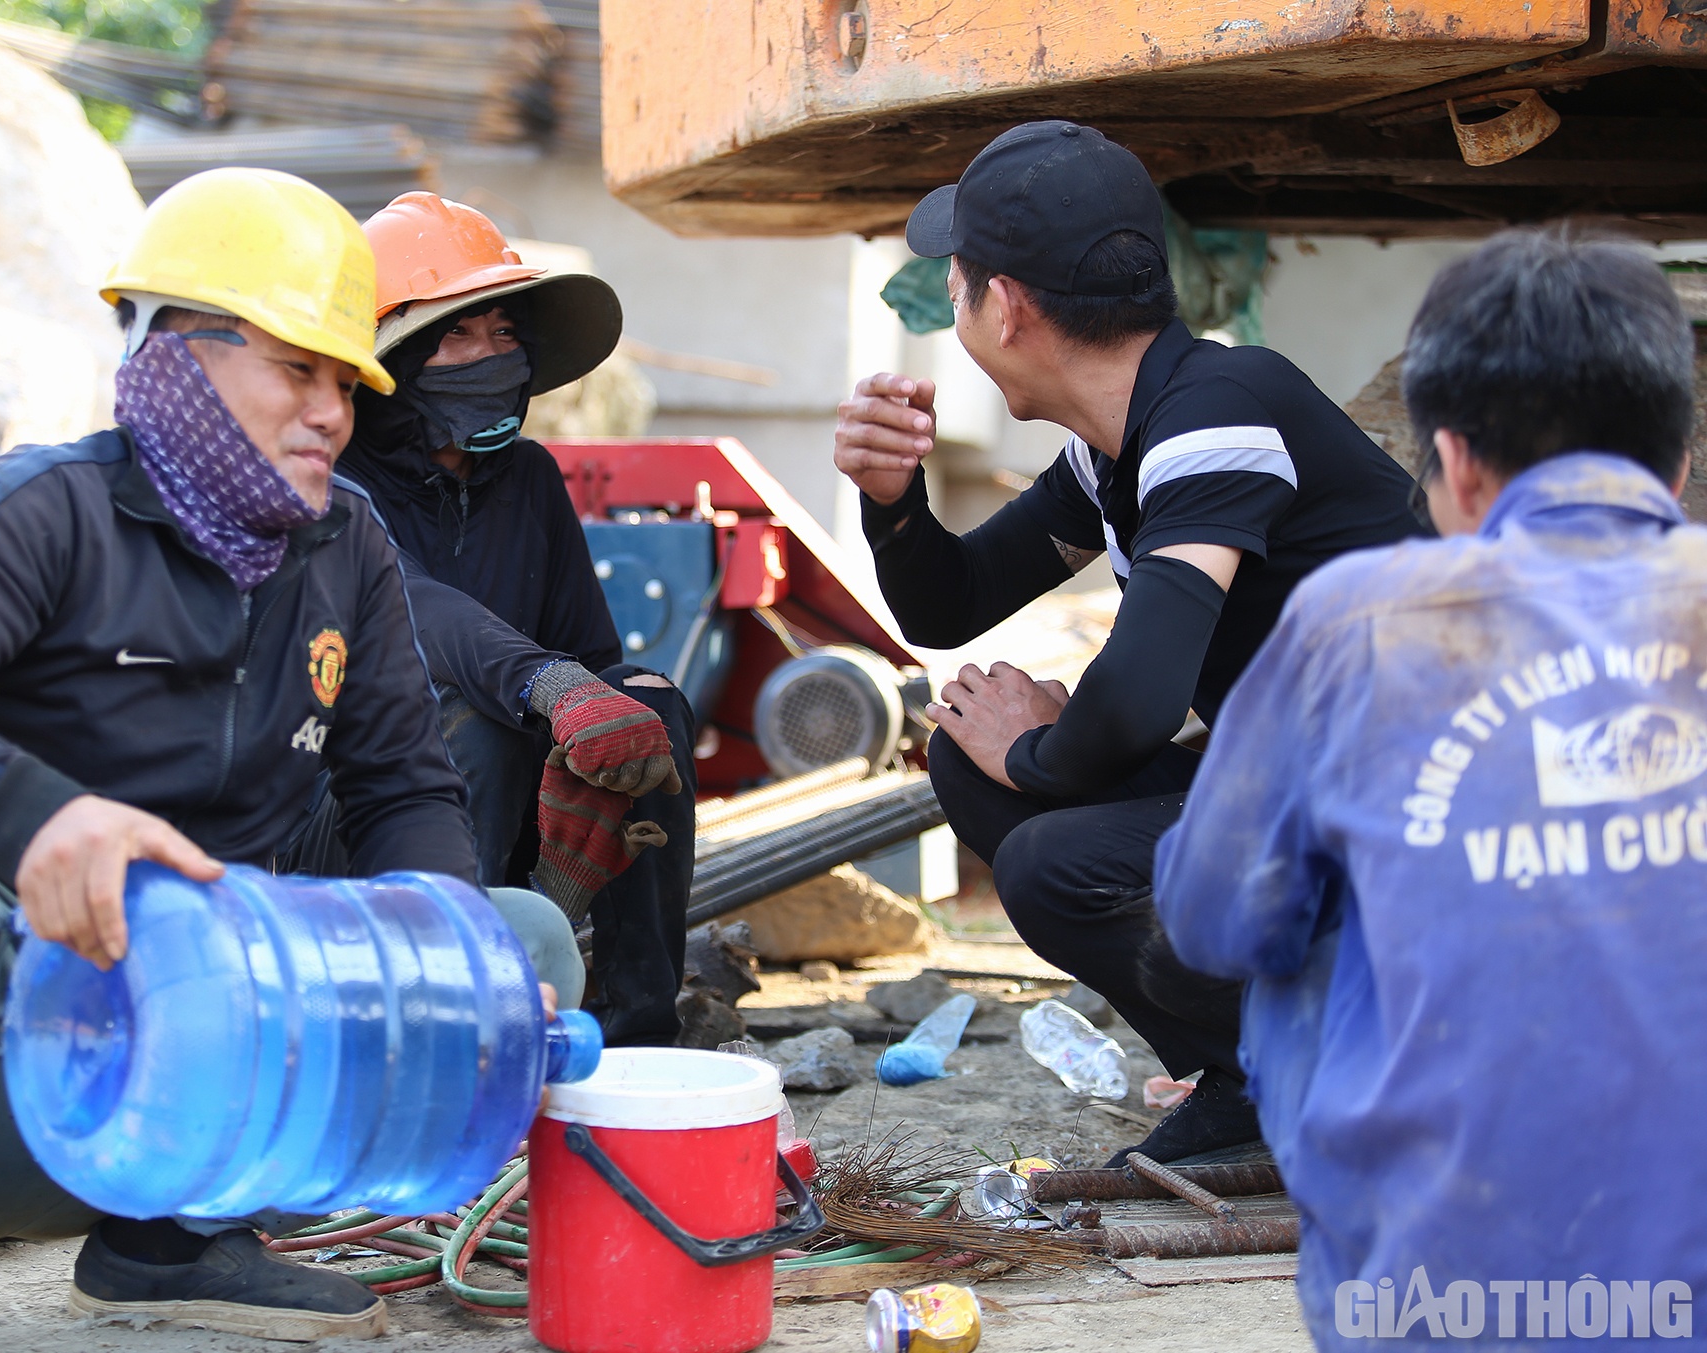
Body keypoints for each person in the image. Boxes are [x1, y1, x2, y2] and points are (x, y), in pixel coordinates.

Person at [0, 168, 580, 1353]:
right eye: (297, 369)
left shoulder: (343, 552)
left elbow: (402, 787)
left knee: (514, 946)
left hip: (209, 1076)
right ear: (177, 348)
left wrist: (441, 960)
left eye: (344, 381)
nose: (330, 412)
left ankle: (173, 1243)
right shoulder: (45, 508)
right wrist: (37, 820)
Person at [832, 121, 1421, 1163]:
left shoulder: (1215, 416)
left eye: (957, 285)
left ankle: (1326, 1076)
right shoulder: (1123, 438)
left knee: (1056, 858)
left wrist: (1031, 747)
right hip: (1309, 793)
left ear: (1002, 308)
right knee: (978, 777)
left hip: (1415, 826)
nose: (957, 309)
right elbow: (949, 603)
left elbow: (1141, 696)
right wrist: (892, 504)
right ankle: (1248, 1079)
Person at [1156, 230, 1706, 1346]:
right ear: (1681, 461)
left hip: (1449, 1303)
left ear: (1452, 462)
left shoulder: (1361, 619)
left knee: (1302, 926)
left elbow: (1211, 918)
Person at [340, 192, 696, 1047]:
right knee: (481, 723)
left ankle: (635, 1037)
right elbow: (411, 606)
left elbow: (590, 654)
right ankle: (445, 1035)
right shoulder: (337, 480)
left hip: (506, 819)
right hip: (364, 826)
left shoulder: (530, 480)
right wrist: (548, 685)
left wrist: (600, 720)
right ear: (395, 356)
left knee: (650, 711)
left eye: (503, 334)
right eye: (456, 336)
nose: (489, 355)